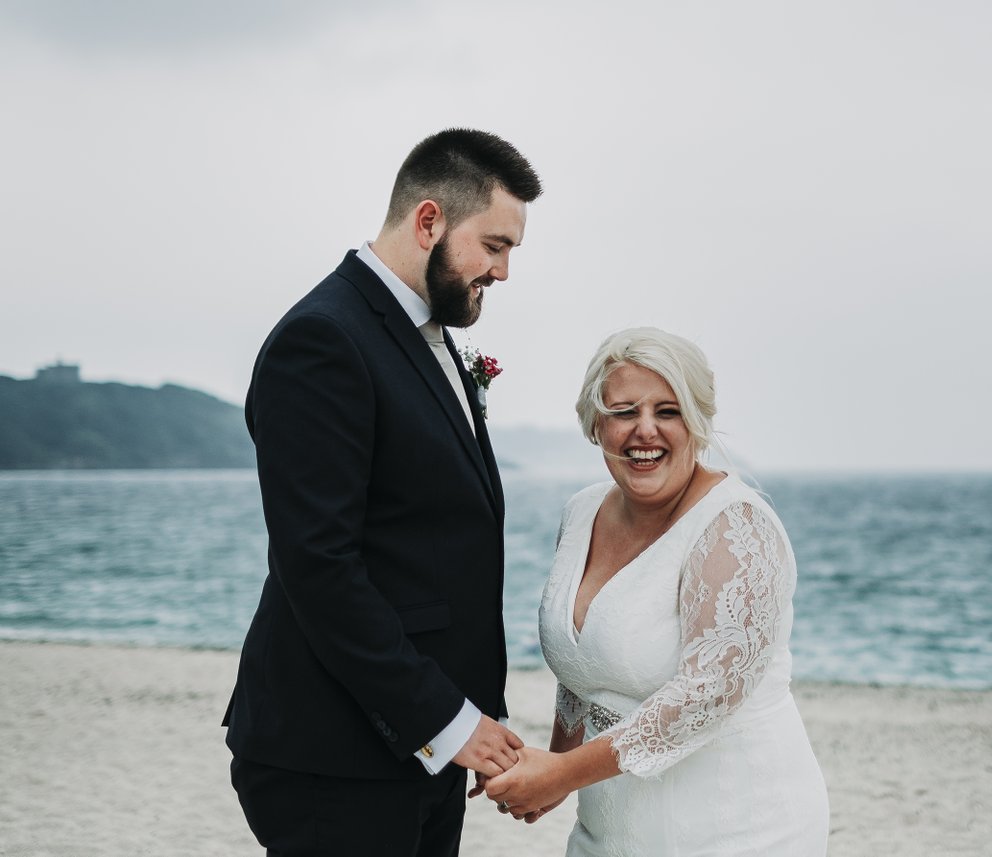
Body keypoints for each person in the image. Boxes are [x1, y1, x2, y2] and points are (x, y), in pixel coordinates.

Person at [223, 128, 542, 856]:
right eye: (494, 245)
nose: (502, 271)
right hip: (335, 755)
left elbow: (426, 540)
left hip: (415, 749)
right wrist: (450, 721)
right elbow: (320, 566)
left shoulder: (420, 331)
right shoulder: (324, 339)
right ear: (429, 221)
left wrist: (464, 719)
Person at [483, 328, 830, 855]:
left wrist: (561, 774)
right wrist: (551, 767)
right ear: (596, 424)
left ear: (697, 421)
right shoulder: (582, 512)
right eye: (624, 411)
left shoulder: (735, 526)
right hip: (607, 831)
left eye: (667, 411)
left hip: (735, 829)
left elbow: (704, 697)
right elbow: (584, 665)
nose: (645, 431)